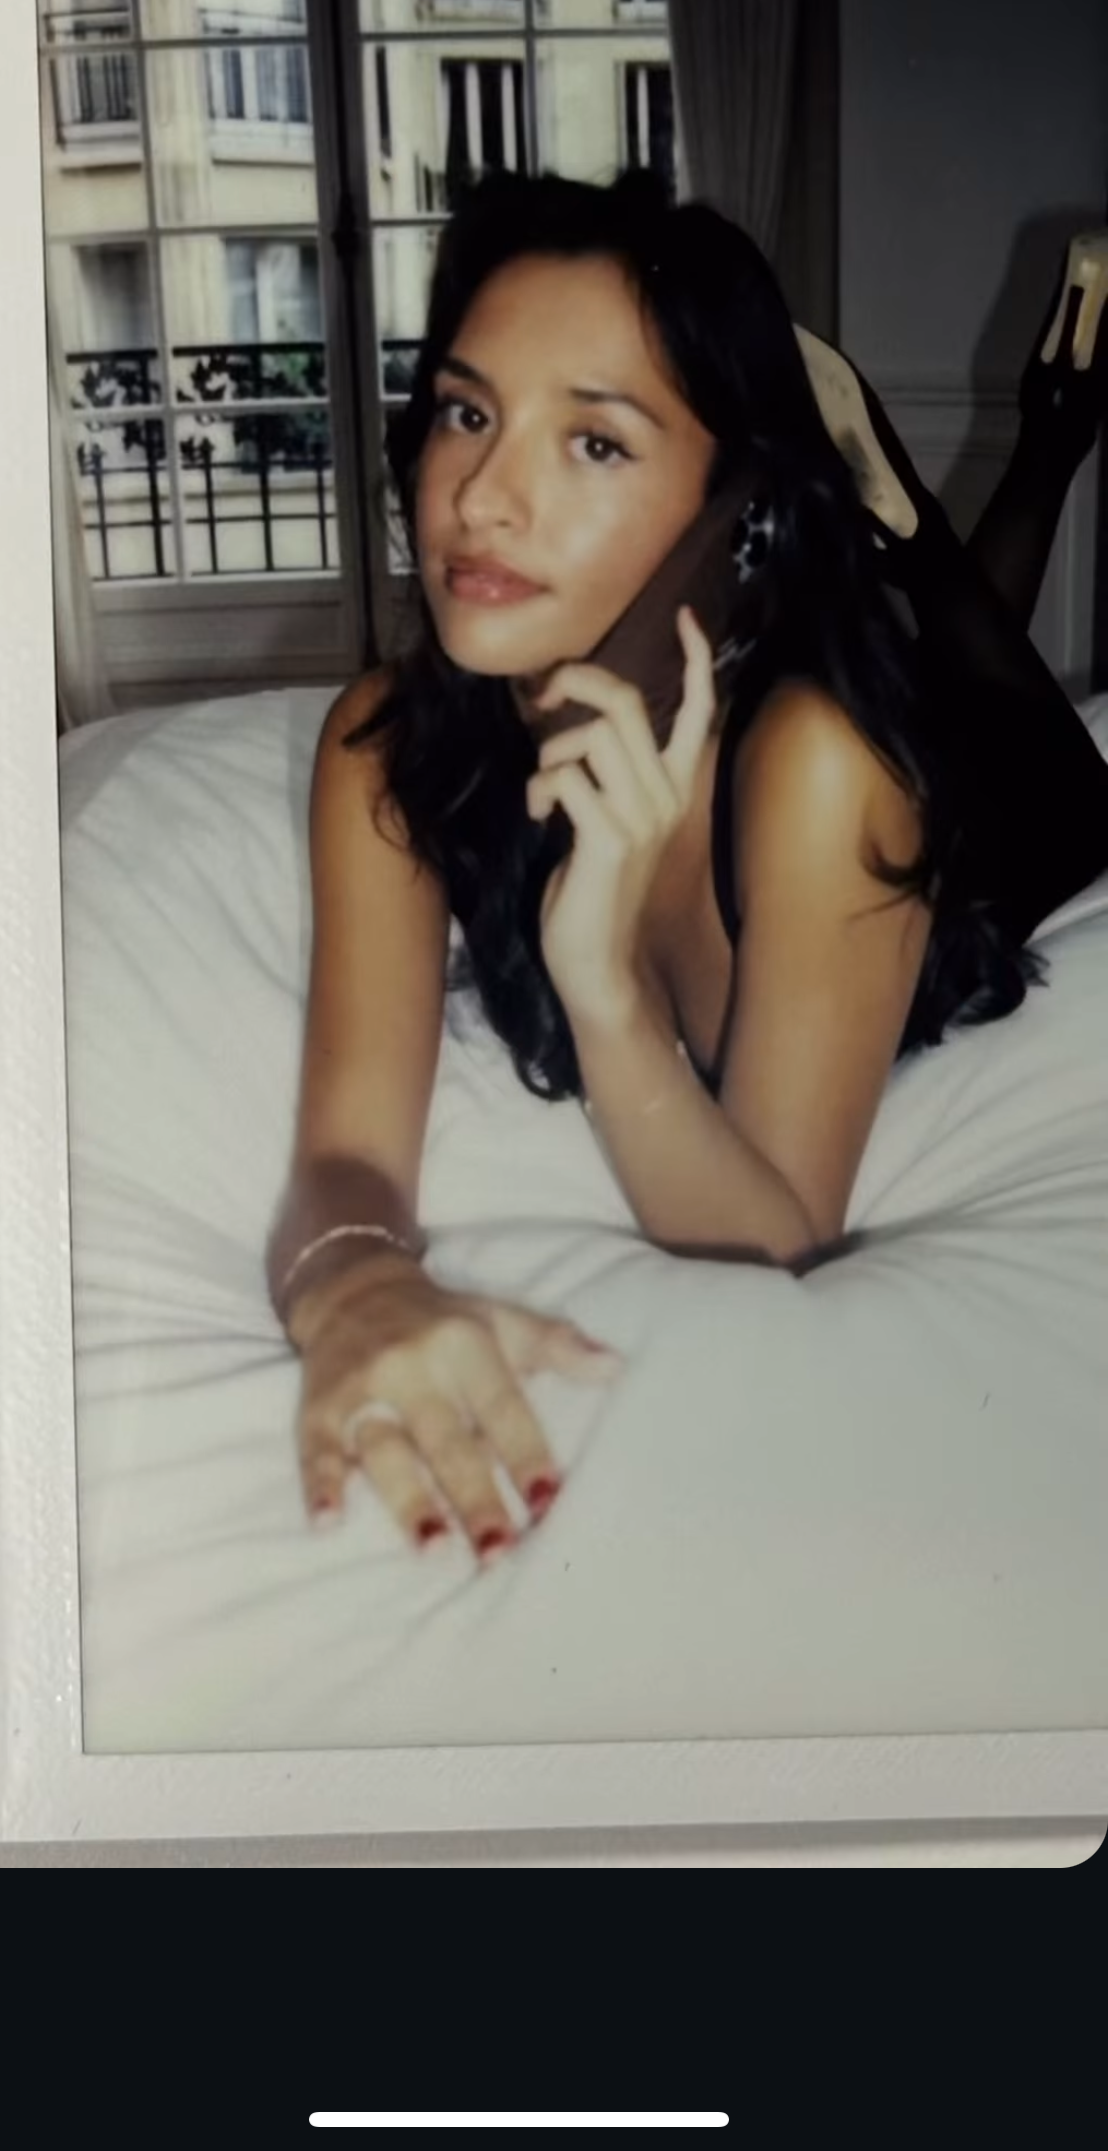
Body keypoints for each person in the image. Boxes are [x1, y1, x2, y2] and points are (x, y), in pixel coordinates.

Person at [264, 171, 1108, 1564]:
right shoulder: (385, 746)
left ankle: (1006, 464)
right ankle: (907, 525)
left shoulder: (822, 769)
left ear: (736, 516)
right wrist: (350, 1285)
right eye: (468, 413)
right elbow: (348, 1152)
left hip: (998, 823)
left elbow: (775, 1239)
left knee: (1023, 738)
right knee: (927, 655)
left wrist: (602, 991)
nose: (483, 496)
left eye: (593, 443)